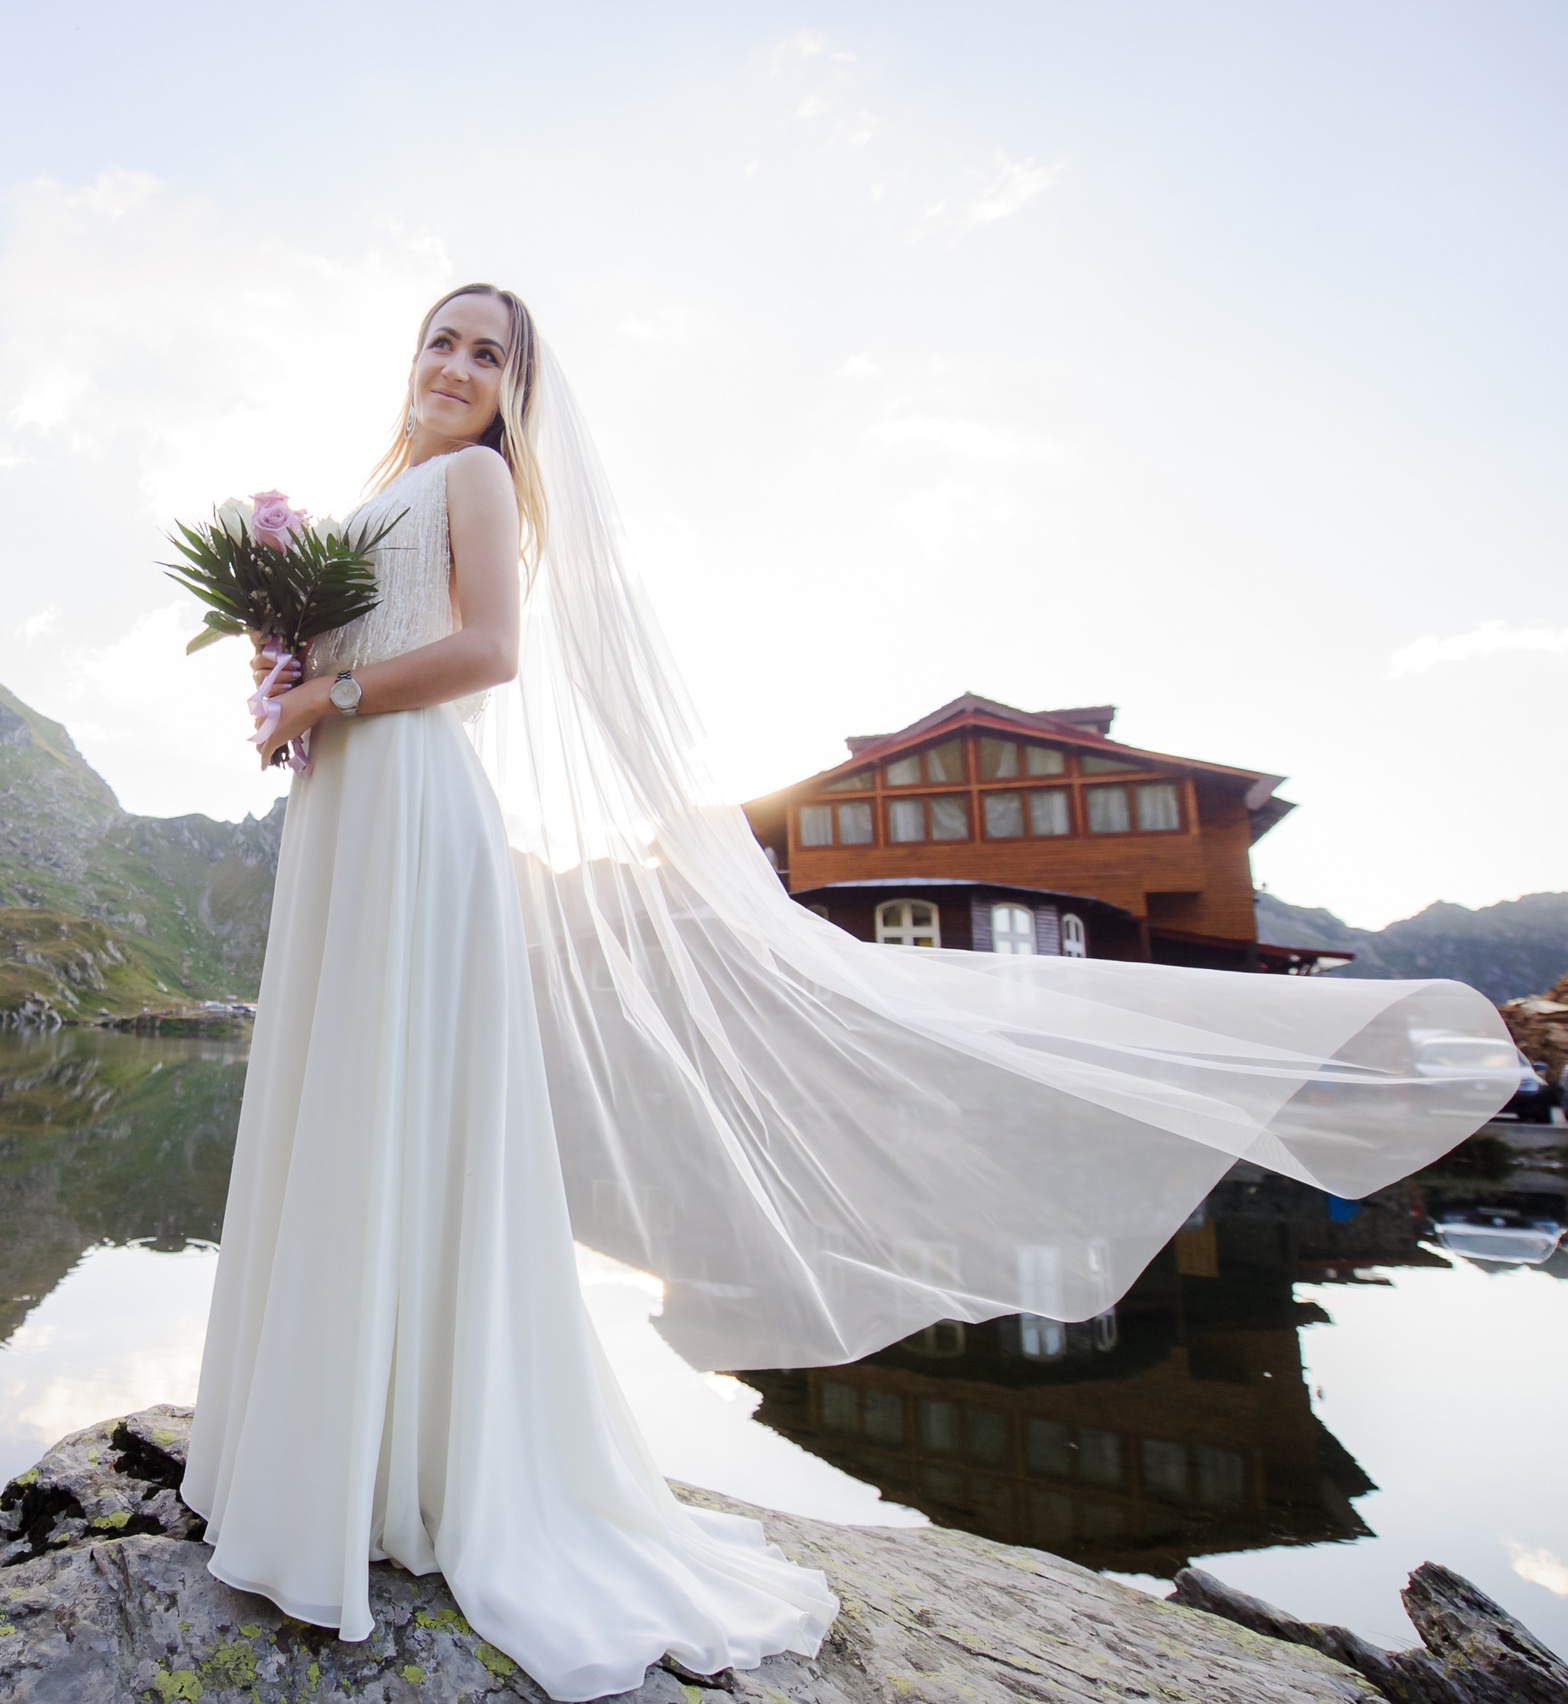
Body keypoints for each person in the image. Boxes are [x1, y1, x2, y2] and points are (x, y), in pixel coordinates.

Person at [178, 284, 1515, 1701]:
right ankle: (326, 1443)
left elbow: (494, 654)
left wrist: (332, 699)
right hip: (348, 804)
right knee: (341, 1098)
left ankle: (383, 1467)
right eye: (441, 340)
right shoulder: (391, 484)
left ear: (516, 395)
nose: (454, 367)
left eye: (486, 354)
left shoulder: (475, 484)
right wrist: (290, 678)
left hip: (410, 803)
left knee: (391, 1110)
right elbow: (367, 647)